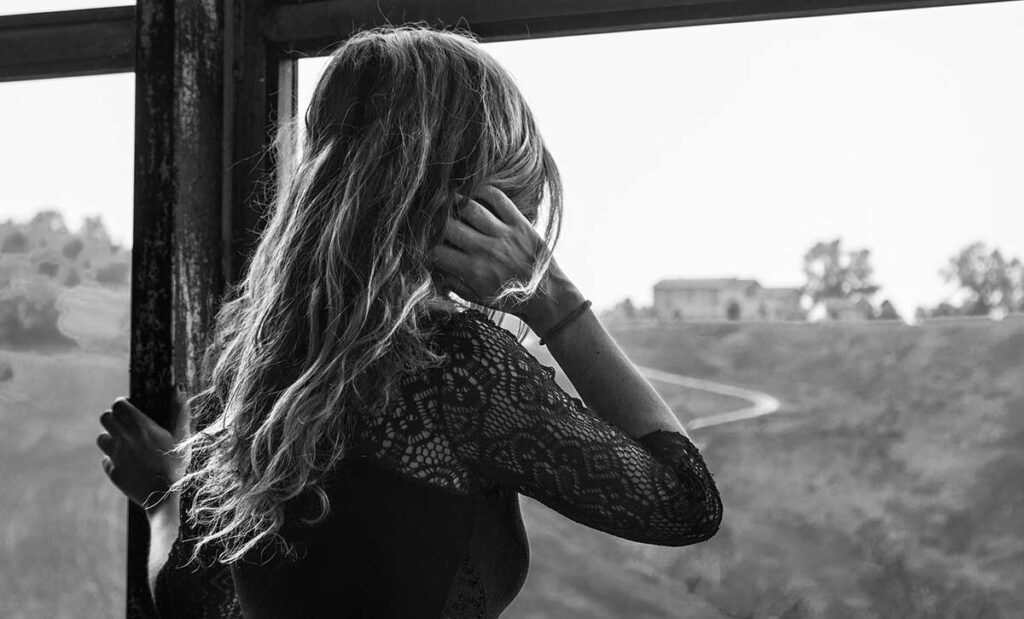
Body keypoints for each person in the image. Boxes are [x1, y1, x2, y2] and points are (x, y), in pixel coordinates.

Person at [96, 24, 723, 618]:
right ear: (471, 199)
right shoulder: (453, 372)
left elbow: (194, 603)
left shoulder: (256, 363)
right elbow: (686, 503)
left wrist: (164, 499)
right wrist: (551, 295)